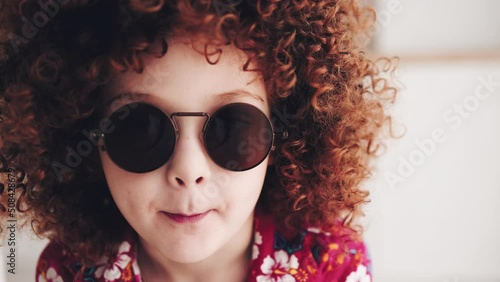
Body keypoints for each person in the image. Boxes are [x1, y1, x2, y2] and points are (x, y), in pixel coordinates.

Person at [0, 0, 397, 281]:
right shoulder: (70, 272)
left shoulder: (331, 264)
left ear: (285, 136)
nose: (188, 171)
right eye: (140, 129)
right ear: (83, 135)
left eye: (234, 127)